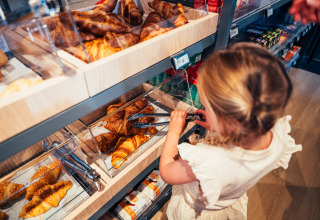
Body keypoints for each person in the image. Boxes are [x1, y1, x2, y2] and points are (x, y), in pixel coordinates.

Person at [159, 42, 302, 220]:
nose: (203, 108)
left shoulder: (211, 159)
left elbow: (167, 171)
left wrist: (173, 132)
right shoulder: (278, 135)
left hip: (200, 210)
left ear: (228, 119)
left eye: (206, 106)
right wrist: (217, 126)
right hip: (228, 201)